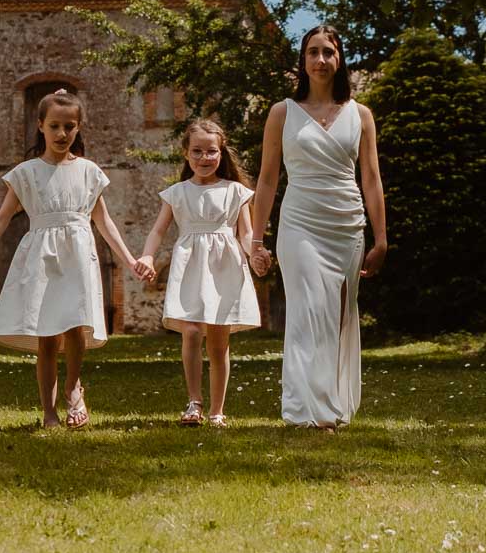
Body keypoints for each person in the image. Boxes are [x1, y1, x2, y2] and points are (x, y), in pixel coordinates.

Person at [0, 89, 153, 428]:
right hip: (42, 258)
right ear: (41, 126)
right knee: (47, 335)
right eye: (55, 126)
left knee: (77, 326)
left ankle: (73, 388)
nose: (62, 134)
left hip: (77, 255)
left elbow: (103, 220)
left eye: (70, 126)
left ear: (78, 128)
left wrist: (128, 258)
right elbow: (2, 218)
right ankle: (48, 412)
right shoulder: (26, 173)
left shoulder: (90, 172)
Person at [250, 25, 388, 428]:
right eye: (313, 52)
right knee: (309, 311)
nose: (321, 60)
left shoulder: (361, 115)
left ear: (339, 59)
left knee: (338, 316)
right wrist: (256, 240)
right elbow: (267, 179)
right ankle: (304, 410)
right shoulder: (282, 113)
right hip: (299, 223)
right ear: (303, 60)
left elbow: (372, 179)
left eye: (328, 52)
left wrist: (381, 238)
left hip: (346, 224)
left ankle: (331, 406)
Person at [137, 119, 261, 428]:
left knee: (218, 343)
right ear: (185, 154)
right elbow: (158, 230)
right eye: (197, 151)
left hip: (224, 267)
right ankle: (194, 402)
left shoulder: (235, 191)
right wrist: (148, 256)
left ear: (221, 153)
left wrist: (256, 251)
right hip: (190, 265)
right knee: (191, 331)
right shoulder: (177, 193)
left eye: (211, 151)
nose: (204, 158)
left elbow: (246, 233)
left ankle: (218, 411)